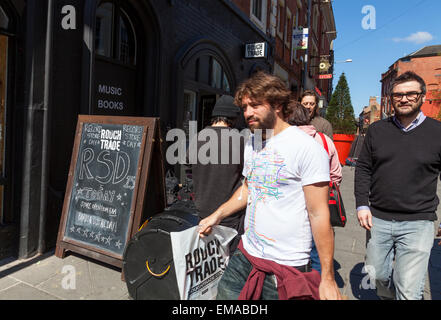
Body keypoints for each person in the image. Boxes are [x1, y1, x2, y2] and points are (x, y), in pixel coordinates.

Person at [199, 71, 342, 300]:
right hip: (246, 254)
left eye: (254, 105)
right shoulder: (253, 141)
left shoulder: (306, 147)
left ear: (277, 104)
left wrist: (327, 278)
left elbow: (319, 214)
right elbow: (248, 188)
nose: (247, 113)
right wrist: (216, 215)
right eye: (244, 107)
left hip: (287, 266)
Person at [355, 71, 441, 300]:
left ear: (422, 96)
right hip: (378, 219)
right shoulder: (377, 131)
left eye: (411, 94)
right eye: (398, 95)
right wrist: (362, 204)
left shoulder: (437, 132)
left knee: (409, 290)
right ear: (390, 99)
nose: (404, 99)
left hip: (419, 222)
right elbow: (363, 168)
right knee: (377, 275)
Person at [287, 101, 342, 274]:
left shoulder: (284, 141)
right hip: (320, 206)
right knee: (317, 251)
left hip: (290, 209)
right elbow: (336, 174)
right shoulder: (325, 140)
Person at [190, 95, 245, 253]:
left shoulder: (199, 137)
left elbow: (189, 166)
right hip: (229, 215)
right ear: (233, 116)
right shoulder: (239, 140)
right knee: (228, 263)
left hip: (203, 212)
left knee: (208, 262)